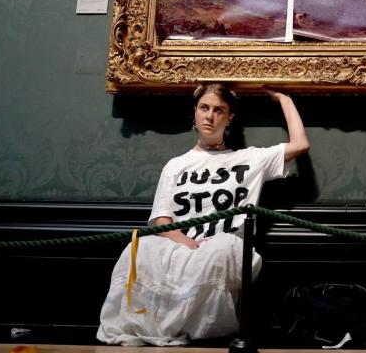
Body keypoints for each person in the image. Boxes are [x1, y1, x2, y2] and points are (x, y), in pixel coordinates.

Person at [97, 83, 309, 345]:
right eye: (204, 108)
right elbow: (162, 219)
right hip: (181, 245)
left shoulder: (250, 159)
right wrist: (187, 243)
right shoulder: (176, 165)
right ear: (195, 113)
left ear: (229, 118)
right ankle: (155, 328)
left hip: (224, 246)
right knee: (138, 247)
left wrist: (284, 98)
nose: (210, 116)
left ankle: (203, 333)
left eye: (218, 110)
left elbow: (300, 145)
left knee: (219, 249)